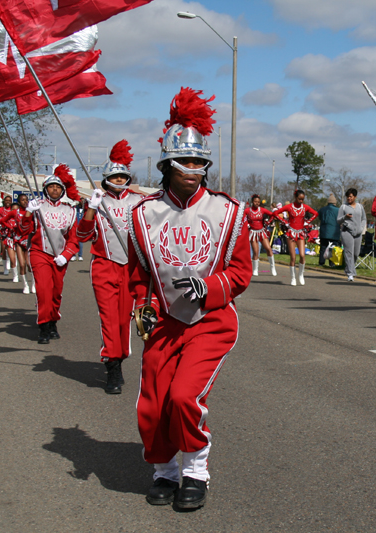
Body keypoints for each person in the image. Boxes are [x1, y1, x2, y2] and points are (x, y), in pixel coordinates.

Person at [127, 87, 251, 510]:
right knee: (152, 405)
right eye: (185, 161)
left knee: (184, 397)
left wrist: (209, 288)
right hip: (164, 323)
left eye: (200, 162)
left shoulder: (228, 211)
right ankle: (164, 471)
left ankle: (196, 470)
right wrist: (143, 305)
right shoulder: (143, 214)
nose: (193, 170)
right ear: (167, 164)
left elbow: (240, 273)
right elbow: (140, 274)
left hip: (210, 322)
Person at [77, 140, 143, 394]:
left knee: (125, 320)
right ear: (105, 178)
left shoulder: (139, 201)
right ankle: (112, 365)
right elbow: (83, 236)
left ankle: (120, 358)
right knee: (109, 318)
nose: (118, 180)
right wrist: (91, 209)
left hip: (130, 267)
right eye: (114, 176)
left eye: (122, 176)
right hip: (104, 265)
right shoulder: (97, 201)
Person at [21, 165, 80, 344]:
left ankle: (53, 321)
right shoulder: (37, 207)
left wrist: (66, 255)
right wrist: (28, 212)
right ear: (45, 189)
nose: (54, 190)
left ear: (62, 190)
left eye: (58, 187)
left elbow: (74, 239)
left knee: (56, 292)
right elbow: (24, 230)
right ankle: (44, 326)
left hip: (60, 256)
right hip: (40, 253)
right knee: (44, 291)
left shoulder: (70, 210)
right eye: (51, 187)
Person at [274, 190, 318, 286]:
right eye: (299, 199)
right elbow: (276, 213)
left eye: (303, 199)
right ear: (295, 197)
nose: (301, 201)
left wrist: (307, 222)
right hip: (291, 233)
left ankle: (301, 275)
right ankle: (293, 277)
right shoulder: (289, 207)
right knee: (293, 257)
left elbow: (315, 213)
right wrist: (284, 221)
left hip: (301, 232)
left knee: (302, 255)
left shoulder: (305, 207)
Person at [0, 194, 35, 293]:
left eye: (26, 200)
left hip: (29, 240)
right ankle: (25, 285)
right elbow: (2, 221)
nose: (25, 201)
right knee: (22, 264)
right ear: (19, 202)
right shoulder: (15, 212)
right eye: (23, 200)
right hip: (19, 240)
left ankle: (33, 284)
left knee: (29, 264)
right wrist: (11, 227)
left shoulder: (32, 212)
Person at [337, 188, 366, 282]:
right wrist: (345, 217)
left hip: (358, 233)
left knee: (356, 253)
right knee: (349, 252)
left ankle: (348, 268)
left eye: (350, 196)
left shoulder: (360, 207)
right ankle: (350, 273)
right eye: (347, 197)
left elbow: (364, 219)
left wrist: (361, 228)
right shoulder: (343, 207)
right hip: (347, 231)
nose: (349, 198)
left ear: (355, 197)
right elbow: (338, 220)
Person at [246, 194, 277, 276]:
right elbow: (241, 217)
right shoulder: (248, 210)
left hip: (261, 232)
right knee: (255, 251)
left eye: (258, 202)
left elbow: (273, 214)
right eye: (255, 201)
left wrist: (268, 222)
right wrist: (247, 224)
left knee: (268, 249)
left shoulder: (262, 210)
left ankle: (272, 267)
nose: (257, 203)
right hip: (253, 233)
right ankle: (255, 269)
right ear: (252, 202)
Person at [0, 195, 17, 275]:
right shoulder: (0, 210)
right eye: (6, 200)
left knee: (14, 250)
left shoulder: (14, 209)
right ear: (3, 202)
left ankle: (13, 266)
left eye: (9, 200)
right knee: (4, 249)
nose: (8, 202)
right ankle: (5, 268)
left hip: (14, 232)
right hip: (4, 232)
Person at [317, 194, 340, 267]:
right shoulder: (338, 210)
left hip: (324, 231)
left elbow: (319, 217)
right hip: (334, 232)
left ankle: (321, 262)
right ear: (334, 202)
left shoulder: (322, 209)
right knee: (332, 248)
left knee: (323, 247)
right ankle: (331, 263)